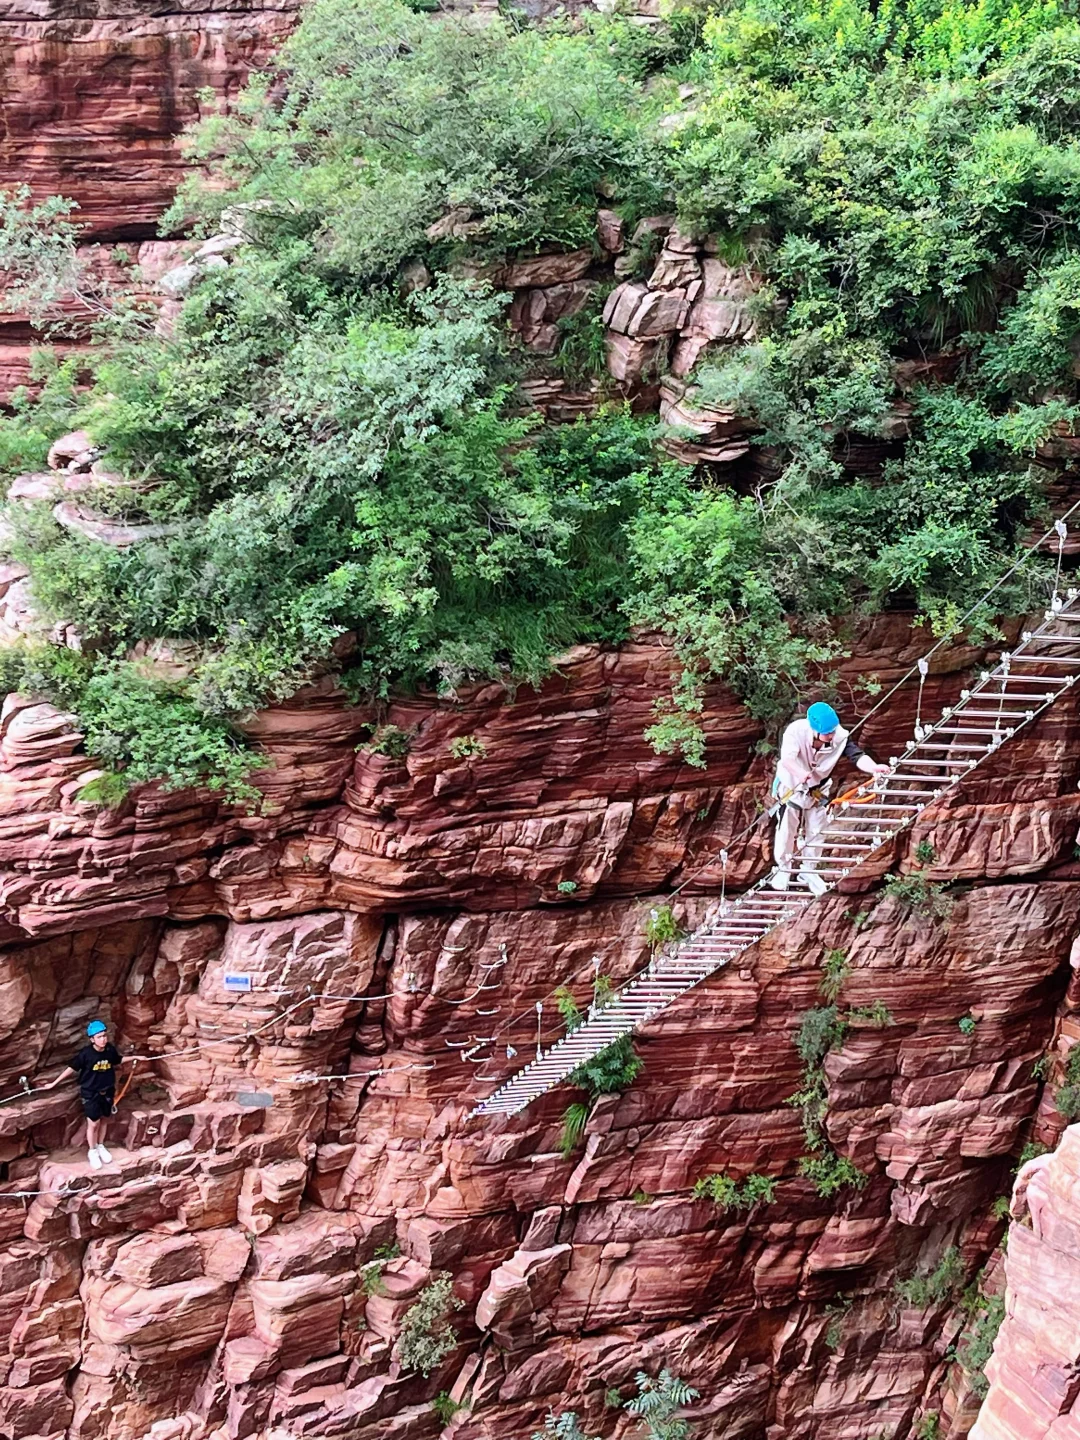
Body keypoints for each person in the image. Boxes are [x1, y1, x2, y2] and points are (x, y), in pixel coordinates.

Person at [771, 702, 889, 896]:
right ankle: (784, 867)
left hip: (817, 789)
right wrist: (801, 774)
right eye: (828, 733)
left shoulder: (840, 736)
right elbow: (787, 760)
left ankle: (809, 870)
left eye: (833, 731)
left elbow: (856, 755)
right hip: (791, 786)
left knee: (818, 829)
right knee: (786, 828)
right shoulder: (795, 732)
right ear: (815, 730)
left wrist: (874, 767)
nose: (832, 736)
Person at [45, 1019, 126, 1169]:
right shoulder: (86, 1054)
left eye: (104, 1035)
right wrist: (54, 1083)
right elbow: (72, 1068)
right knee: (93, 1123)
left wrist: (135, 1058)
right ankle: (92, 1150)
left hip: (107, 1090)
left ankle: (101, 1145)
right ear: (92, 1039)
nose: (103, 1039)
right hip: (90, 1093)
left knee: (105, 1119)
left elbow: (118, 1060)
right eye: (99, 1037)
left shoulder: (109, 1050)